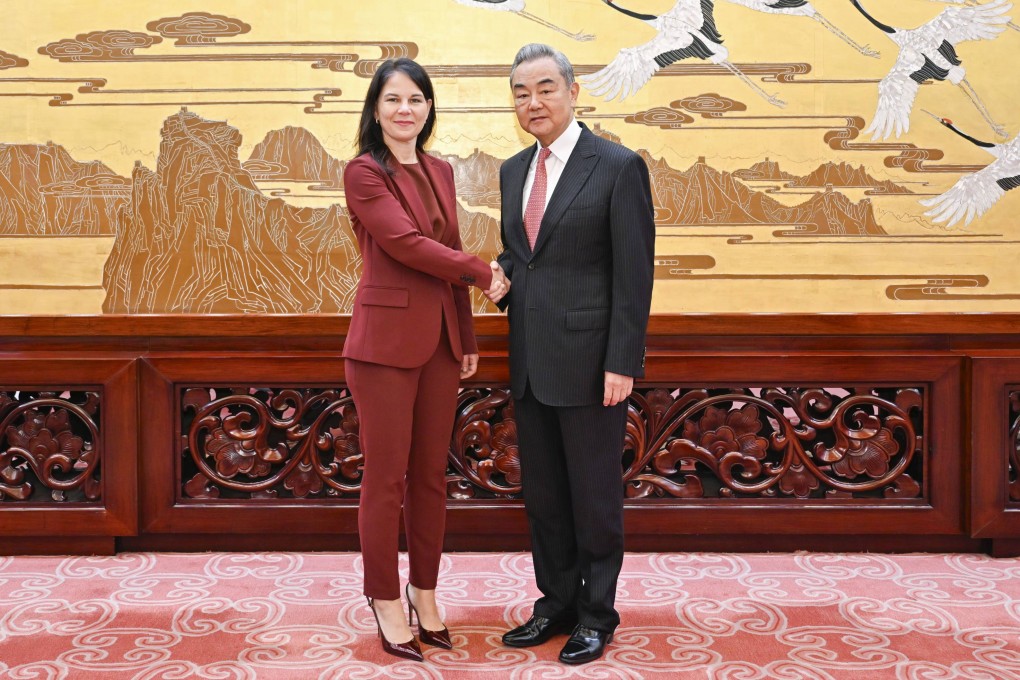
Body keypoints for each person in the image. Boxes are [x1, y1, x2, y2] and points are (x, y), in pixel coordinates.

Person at [343, 57, 509, 662]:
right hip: (383, 348)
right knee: (385, 482)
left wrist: (465, 337)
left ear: (429, 107)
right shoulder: (363, 172)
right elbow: (406, 246)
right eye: (393, 100)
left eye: (416, 99)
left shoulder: (440, 169)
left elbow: (449, 252)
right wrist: (486, 273)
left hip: (440, 344)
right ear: (376, 109)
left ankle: (426, 591)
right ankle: (385, 598)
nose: (405, 109)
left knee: (431, 479)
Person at [495, 43, 655, 665]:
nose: (532, 103)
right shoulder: (513, 171)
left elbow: (632, 273)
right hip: (532, 362)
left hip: (593, 366)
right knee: (545, 498)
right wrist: (500, 273)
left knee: (593, 499)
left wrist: (623, 360)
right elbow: (526, 255)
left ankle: (596, 613)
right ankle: (555, 603)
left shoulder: (616, 166)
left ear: (572, 90)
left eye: (543, 89)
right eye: (520, 93)